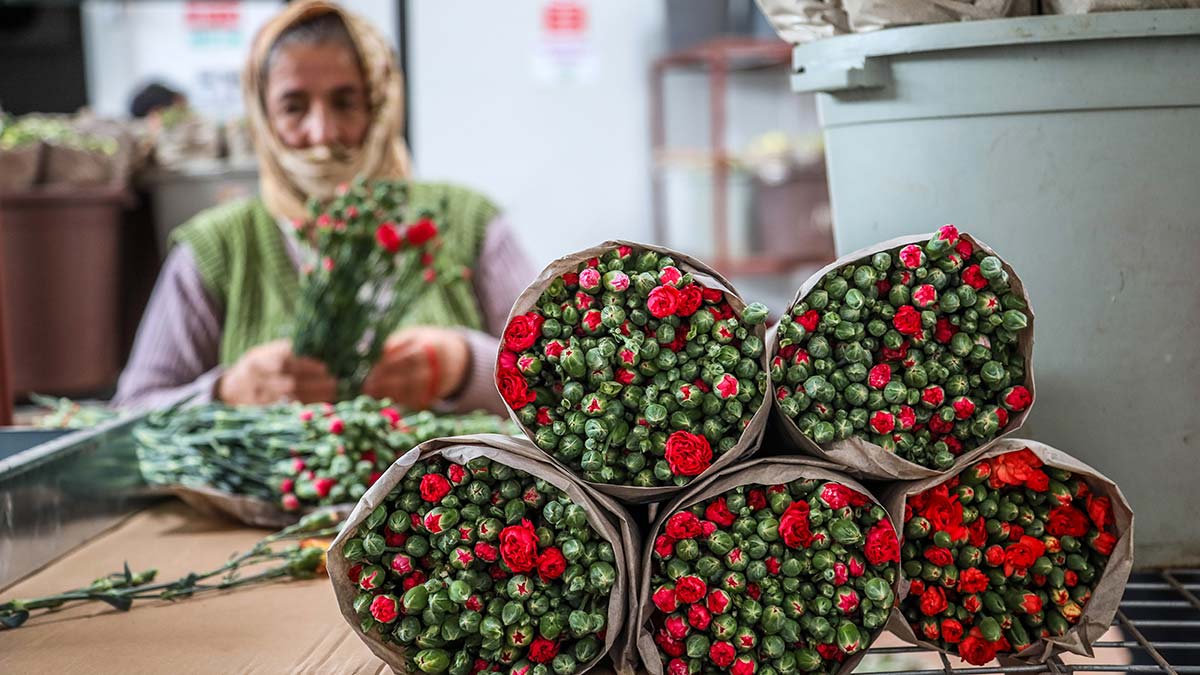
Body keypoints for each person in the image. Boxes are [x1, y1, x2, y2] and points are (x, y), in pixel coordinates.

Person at [114, 0, 534, 415]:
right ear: (263, 116)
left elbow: (562, 387)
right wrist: (226, 392)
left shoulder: (468, 222)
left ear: (379, 106)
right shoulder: (217, 248)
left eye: (345, 102)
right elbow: (128, 417)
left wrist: (466, 366)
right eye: (294, 107)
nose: (322, 132)